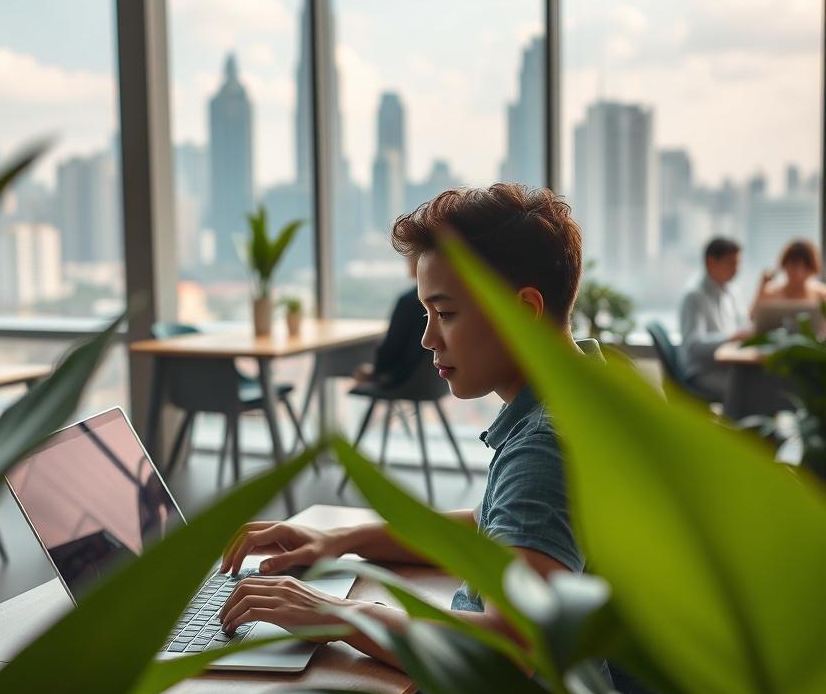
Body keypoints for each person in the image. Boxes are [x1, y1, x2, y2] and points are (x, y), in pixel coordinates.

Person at [217, 183, 592, 668]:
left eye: (447, 313)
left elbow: (519, 644)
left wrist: (343, 614)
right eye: (426, 312)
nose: (428, 338)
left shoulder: (546, 443)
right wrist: (342, 539)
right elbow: (493, 527)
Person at [678, 237, 750, 401]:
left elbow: (743, 324)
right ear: (711, 262)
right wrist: (730, 338)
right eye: (731, 263)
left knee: (759, 382)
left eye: (738, 263)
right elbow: (693, 345)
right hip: (704, 371)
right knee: (749, 390)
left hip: (728, 366)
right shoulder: (694, 296)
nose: (736, 269)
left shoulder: (731, 292)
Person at [352, 254, 426, 387]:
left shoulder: (408, 302)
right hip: (432, 382)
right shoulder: (444, 301)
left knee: (359, 370)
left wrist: (375, 371)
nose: (406, 262)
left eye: (409, 257)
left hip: (399, 378)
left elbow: (391, 348)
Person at [750, 239, 826, 310]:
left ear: (813, 269)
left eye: (805, 267)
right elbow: (753, 317)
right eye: (794, 266)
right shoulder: (771, 294)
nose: (799, 273)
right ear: (784, 265)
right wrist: (761, 287)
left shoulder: (822, 295)